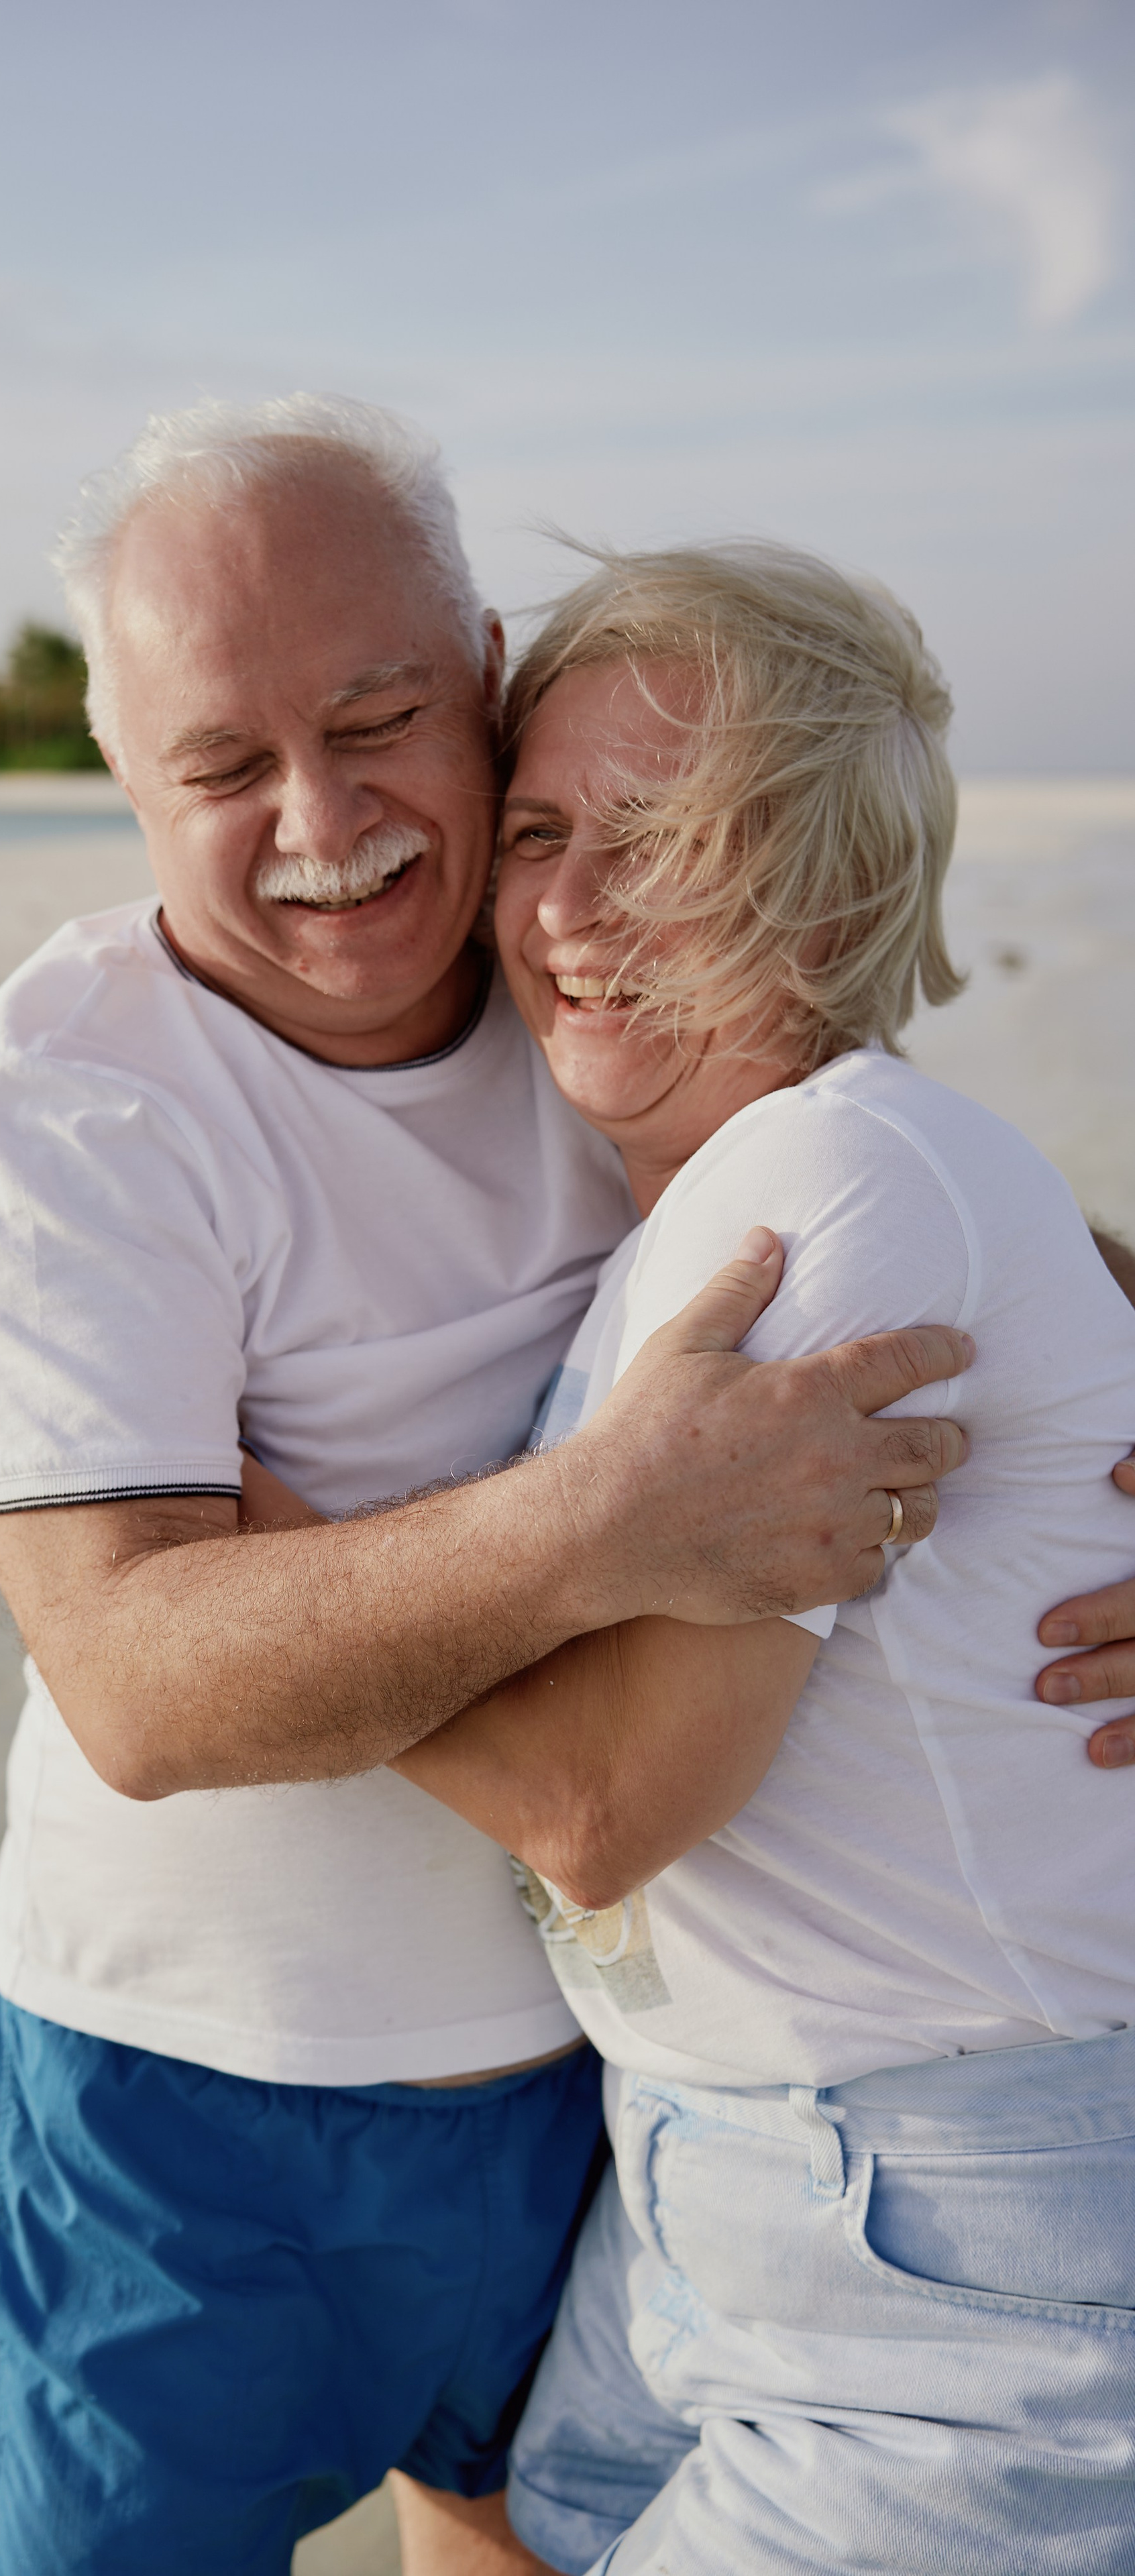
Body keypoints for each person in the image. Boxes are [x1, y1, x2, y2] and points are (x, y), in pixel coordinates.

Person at [0, 397, 1135, 2575]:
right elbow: (140, 1685)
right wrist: (601, 1521)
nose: (325, 826)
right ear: (126, 777)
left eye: (385, 721)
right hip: (189, 2085)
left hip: (589, 2096)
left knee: (492, 2533)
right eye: (220, 769)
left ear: (474, 675)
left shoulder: (575, 982)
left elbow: (960, 1205)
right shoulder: (73, 1100)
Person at [341, 537, 1135, 2572]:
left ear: (843, 897)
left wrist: (216, 1558)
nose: (572, 912)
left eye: (665, 841)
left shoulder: (827, 1174)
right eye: (536, 832)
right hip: (721, 2178)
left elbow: (599, 1810)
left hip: (955, 2245)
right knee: (483, 2517)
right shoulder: (728, 1187)